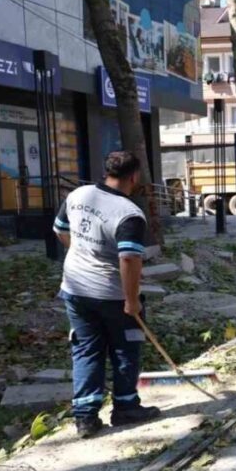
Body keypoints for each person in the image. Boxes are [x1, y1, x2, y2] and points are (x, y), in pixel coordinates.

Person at [54, 151, 160, 438]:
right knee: (126, 347)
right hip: (111, 293)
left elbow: (60, 230)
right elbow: (128, 259)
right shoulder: (129, 214)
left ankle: (86, 417)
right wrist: (131, 300)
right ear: (134, 176)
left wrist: (82, 253)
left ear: (108, 170)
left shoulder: (78, 194)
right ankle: (125, 407)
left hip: (75, 289)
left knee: (86, 348)